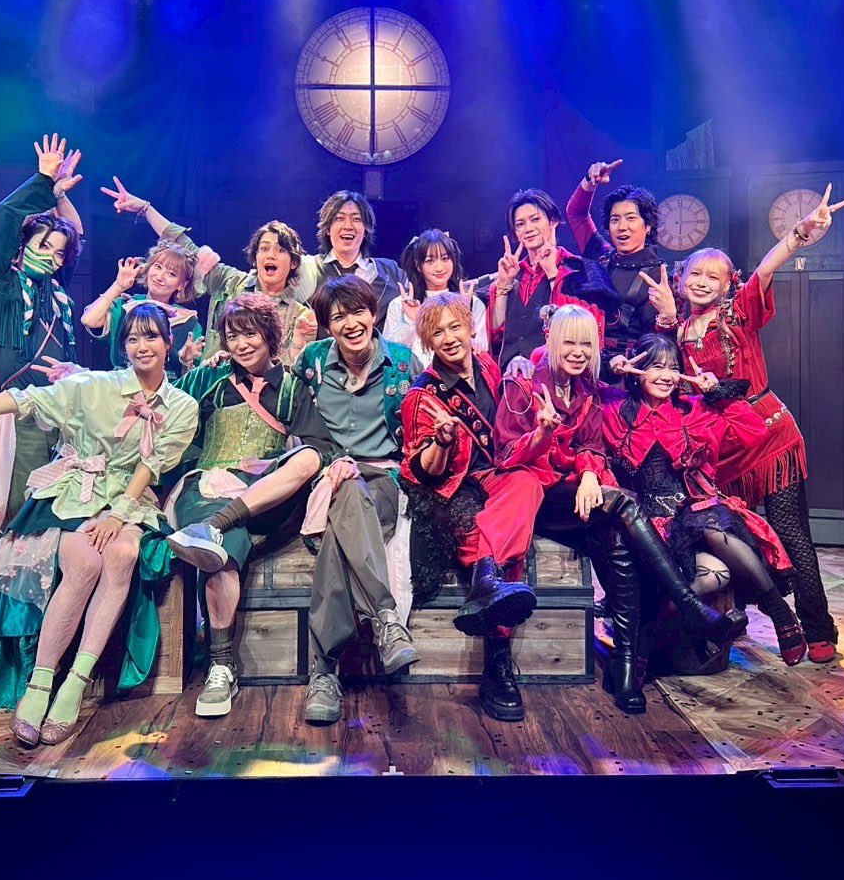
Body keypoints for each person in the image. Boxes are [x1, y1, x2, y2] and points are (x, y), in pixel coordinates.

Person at [0, 303, 199, 746]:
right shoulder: (94, 386)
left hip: (130, 498)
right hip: (76, 491)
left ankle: (75, 682)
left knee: (123, 554)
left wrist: (118, 514)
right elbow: (24, 400)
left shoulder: (183, 406)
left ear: (168, 343)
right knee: (84, 564)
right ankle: (40, 683)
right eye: (132, 338)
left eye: (151, 336)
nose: (141, 346)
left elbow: (152, 465)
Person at [493, 306, 748, 714]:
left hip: (574, 494)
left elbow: (592, 445)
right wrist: (541, 434)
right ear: (552, 341)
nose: (578, 352)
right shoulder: (523, 380)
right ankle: (690, 607)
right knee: (625, 501)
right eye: (569, 342)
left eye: (586, 344)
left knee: (616, 536)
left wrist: (589, 474)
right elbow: (506, 456)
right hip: (533, 493)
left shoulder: (585, 388)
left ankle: (625, 665)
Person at [670, 183, 844, 664]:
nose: (703, 282)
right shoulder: (679, 331)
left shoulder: (739, 313)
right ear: (681, 278)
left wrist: (799, 234)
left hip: (769, 438)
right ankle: (739, 620)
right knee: (736, 538)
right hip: (724, 450)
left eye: (714, 276)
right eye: (695, 274)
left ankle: (818, 628)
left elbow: (767, 268)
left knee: (791, 532)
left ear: (728, 284)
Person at [159, 294, 325, 718]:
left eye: (250, 333)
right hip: (208, 488)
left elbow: (319, 445)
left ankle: (216, 525)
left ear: (269, 335)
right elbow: (162, 401)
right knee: (219, 550)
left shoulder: (292, 387)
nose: (241, 344)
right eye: (232, 336)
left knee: (308, 458)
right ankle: (221, 666)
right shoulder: (209, 380)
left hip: (263, 497)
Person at [604, 334, 806, 666]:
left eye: (673, 368)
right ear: (636, 371)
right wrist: (610, 368)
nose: (667, 376)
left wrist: (716, 394)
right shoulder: (614, 410)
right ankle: (650, 635)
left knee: (708, 520)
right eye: (656, 367)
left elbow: (754, 432)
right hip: (647, 521)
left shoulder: (693, 409)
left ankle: (778, 610)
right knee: (717, 572)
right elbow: (579, 402)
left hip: (694, 511)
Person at [400, 293, 546, 721]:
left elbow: (507, 430)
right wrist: (442, 442)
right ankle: (497, 664)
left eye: (455, 327)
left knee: (527, 483)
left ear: (470, 328)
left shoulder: (488, 366)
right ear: (427, 341)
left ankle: (485, 580)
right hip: (452, 489)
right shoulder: (421, 396)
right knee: (499, 547)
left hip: (495, 478)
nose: (449, 338)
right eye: (437, 332)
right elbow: (424, 471)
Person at [289, 275, 420, 723]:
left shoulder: (402, 363)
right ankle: (386, 618)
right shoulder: (311, 363)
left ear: (373, 313)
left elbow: (419, 430)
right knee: (344, 494)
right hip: (328, 477)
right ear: (327, 326)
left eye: (358, 312)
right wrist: (332, 461)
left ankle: (323, 672)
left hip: (383, 478)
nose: (351, 323)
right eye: (338, 316)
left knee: (337, 537)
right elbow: (301, 427)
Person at [0, 133, 85, 528]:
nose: (54, 258)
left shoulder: (54, 289)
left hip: (65, 408)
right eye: (45, 247)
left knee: (65, 499)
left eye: (59, 253)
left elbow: (76, 235)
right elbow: (1, 221)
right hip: (23, 413)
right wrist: (43, 180)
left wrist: (59, 196)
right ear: (21, 246)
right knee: (25, 500)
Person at [99, 177, 317, 365]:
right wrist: (146, 210)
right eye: (264, 249)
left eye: (280, 250)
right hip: (215, 389)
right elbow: (185, 245)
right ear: (255, 256)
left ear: (293, 262)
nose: (270, 256)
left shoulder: (300, 315)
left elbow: (295, 370)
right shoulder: (231, 282)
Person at [565, 159, 678, 371]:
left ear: (648, 225)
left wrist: (668, 318)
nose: (622, 226)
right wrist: (590, 181)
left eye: (631, 218)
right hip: (587, 365)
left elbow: (659, 345)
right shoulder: (601, 257)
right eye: (615, 219)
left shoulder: (658, 276)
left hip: (628, 373)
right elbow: (576, 214)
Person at [486, 188, 617, 370]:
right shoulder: (512, 274)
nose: (528, 229)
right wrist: (503, 286)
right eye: (520, 224)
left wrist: (552, 275)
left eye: (535, 219)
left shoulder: (581, 270)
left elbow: (580, 333)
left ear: (553, 221)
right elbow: (496, 337)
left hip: (555, 376)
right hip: (510, 377)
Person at [81, 240, 204, 376]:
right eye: (158, 267)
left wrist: (187, 362)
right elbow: (89, 320)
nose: (160, 277)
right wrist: (118, 286)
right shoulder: (125, 307)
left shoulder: (187, 321)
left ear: (182, 285)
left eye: (171, 274)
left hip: (166, 387)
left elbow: (193, 379)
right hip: (122, 382)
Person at [381, 228, 488, 367]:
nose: (439, 268)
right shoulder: (400, 305)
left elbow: (482, 350)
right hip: (415, 377)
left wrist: (465, 318)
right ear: (418, 265)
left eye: (445, 258)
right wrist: (411, 320)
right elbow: (390, 353)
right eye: (430, 261)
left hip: (458, 376)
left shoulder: (471, 302)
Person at [295, 190, 407, 314]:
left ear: (366, 230)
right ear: (327, 228)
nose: (348, 226)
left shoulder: (390, 271)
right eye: (339, 218)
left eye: (356, 219)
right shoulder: (309, 268)